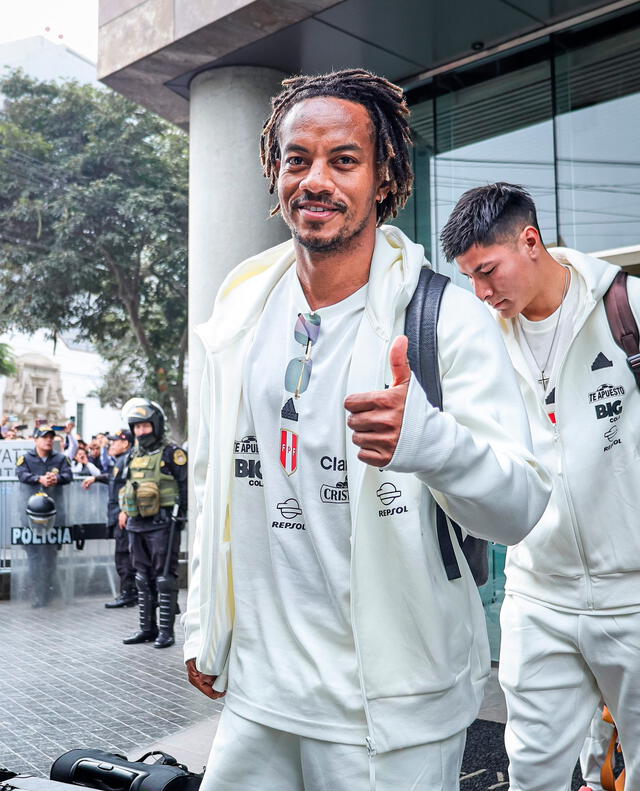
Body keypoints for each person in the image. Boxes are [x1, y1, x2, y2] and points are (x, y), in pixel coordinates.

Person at [183, 70, 551, 791]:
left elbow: (521, 506)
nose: (316, 180)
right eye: (298, 159)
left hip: (394, 709)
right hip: (262, 696)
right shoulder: (241, 310)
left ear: (385, 178)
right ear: (273, 169)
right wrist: (206, 621)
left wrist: (429, 441)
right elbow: (215, 484)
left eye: (344, 160)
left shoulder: (446, 317)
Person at [441, 182, 640, 791]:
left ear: (530, 241)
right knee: (531, 770)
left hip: (634, 594)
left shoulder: (627, 310)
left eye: (487, 271)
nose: (480, 291)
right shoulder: (477, 344)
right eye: (468, 278)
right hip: (537, 592)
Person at [119, 399, 187, 648]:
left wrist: (179, 519)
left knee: (164, 578)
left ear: (156, 426)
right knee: (141, 577)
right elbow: (126, 485)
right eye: (136, 428)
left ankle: (166, 633)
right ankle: (147, 629)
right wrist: (124, 510)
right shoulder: (134, 454)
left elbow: (185, 486)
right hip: (137, 524)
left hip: (163, 525)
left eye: (145, 426)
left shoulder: (172, 453)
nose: (140, 432)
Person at [15, 425, 73, 606]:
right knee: (33, 556)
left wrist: (57, 479)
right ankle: (37, 593)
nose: (48, 440)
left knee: (50, 556)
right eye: (44, 437)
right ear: (35, 439)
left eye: (51, 437)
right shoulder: (25, 458)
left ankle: (47, 591)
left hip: (55, 516)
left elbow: (69, 475)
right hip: (30, 517)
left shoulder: (61, 458)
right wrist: (38, 479)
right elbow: (21, 474)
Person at [83, 429, 137, 609]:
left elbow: (132, 485)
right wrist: (96, 478)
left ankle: (128, 593)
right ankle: (130, 592)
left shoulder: (128, 460)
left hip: (122, 515)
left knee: (124, 556)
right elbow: (115, 479)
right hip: (117, 514)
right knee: (124, 555)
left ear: (125, 444)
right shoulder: (121, 461)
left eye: (115, 442)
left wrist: (126, 511)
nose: (110, 444)